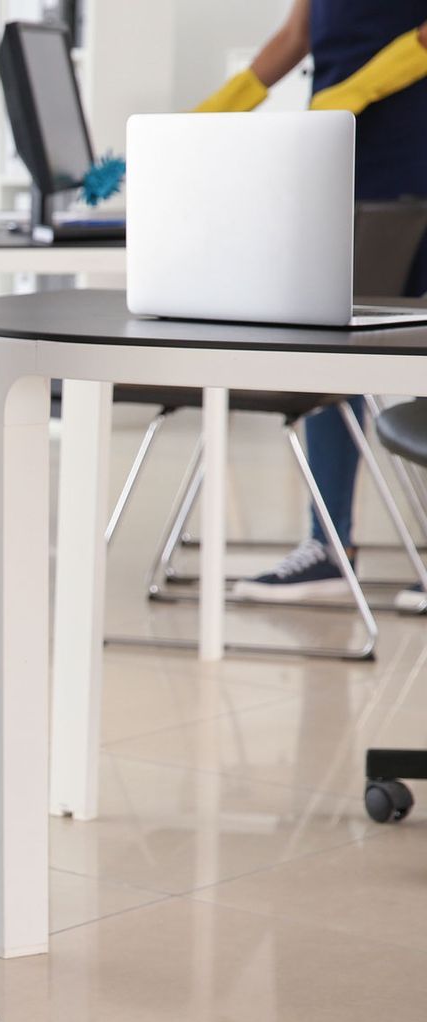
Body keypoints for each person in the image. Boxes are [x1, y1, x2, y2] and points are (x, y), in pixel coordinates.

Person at [197, 2, 427, 609]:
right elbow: (299, 33)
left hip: (412, 151)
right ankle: (328, 547)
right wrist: (220, 108)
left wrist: (364, 86)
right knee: (331, 349)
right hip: (339, 159)